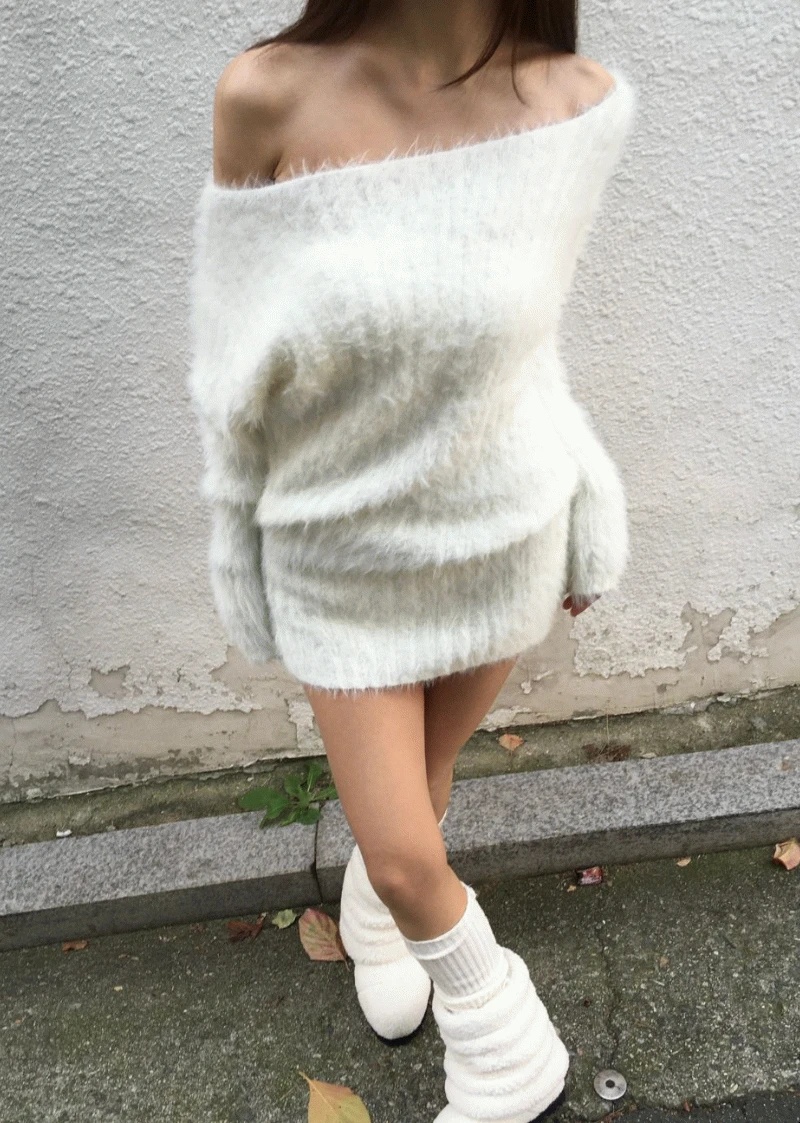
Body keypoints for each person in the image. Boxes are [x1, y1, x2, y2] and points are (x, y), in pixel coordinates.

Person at [187, 2, 637, 1118]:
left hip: (501, 530)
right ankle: (507, 1049)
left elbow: (530, 347)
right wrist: (237, 550)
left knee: (421, 791)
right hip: (336, 549)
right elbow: (230, 371)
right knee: (401, 848)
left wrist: (591, 501)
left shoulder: (576, 103)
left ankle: (384, 919)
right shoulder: (267, 96)